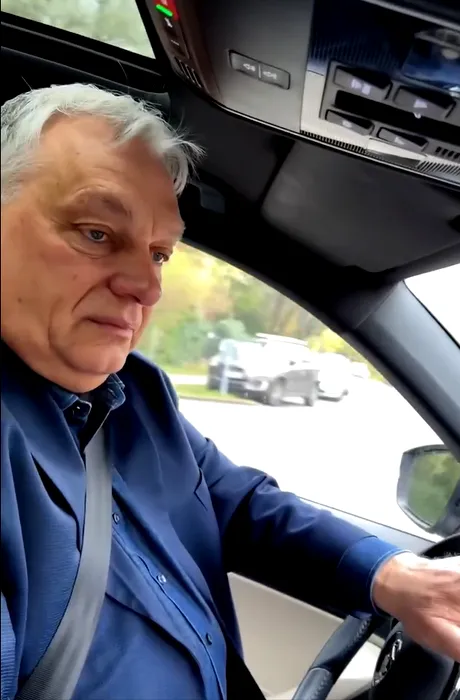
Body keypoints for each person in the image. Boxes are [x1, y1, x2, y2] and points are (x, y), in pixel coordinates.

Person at [1, 83, 459, 700]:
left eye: (159, 254)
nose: (148, 287)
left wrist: (395, 576)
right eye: (97, 233)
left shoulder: (135, 396)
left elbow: (233, 504)